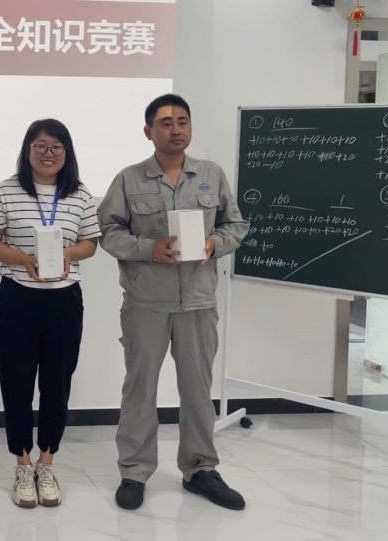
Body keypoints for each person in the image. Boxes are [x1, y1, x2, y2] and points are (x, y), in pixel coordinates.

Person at [96, 93, 249, 512]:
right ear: (148, 131)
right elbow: (108, 232)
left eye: (182, 121)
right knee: (140, 389)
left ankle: (200, 469)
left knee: (198, 391)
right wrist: (149, 249)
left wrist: (214, 243)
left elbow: (235, 225)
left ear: (190, 127)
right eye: (165, 123)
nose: (175, 129)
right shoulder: (128, 179)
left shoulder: (211, 174)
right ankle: (134, 470)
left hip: (198, 302)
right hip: (146, 302)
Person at [0, 119, 100, 508]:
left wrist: (66, 254)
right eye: (40, 146)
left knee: (57, 383)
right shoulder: (5, 191)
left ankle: (46, 464)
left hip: (64, 301)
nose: (48, 154)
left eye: (56, 147)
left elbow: (90, 243)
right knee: (16, 382)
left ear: (67, 152)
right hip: (18, 298)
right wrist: (25, 259)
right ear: (27, 150)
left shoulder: (80, 194)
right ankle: (22, 463)